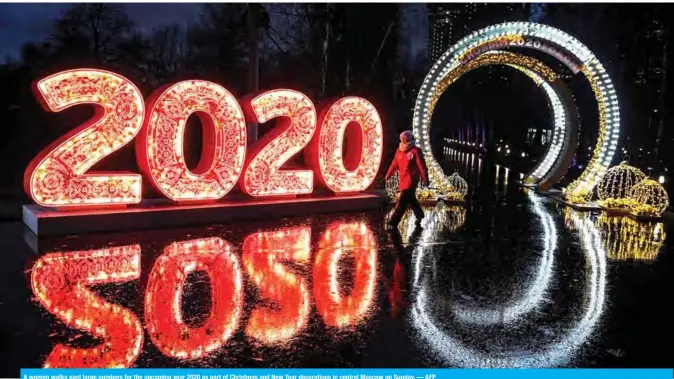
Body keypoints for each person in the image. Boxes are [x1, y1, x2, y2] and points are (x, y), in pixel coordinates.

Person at [385, 130, 429, 227]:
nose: (404, 140)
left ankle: (393, 221)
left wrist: (425, 178)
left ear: (409, 138)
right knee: (411, 199)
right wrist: (388, 174)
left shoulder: (416, 150)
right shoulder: (399, 151)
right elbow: (394, 164)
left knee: (402, 201)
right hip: (403, 179)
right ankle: (420, 215)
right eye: (402, 139)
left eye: (406, 138)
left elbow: (422, 166)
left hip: (411, 180)